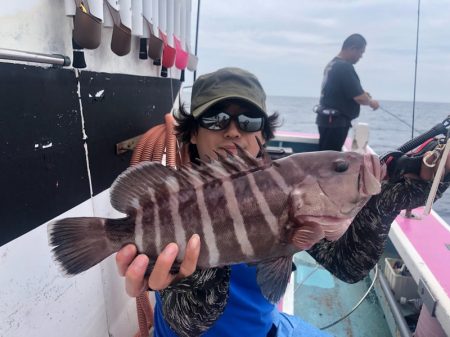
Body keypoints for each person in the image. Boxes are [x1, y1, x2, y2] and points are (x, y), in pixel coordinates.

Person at [116, 67, 450, 337]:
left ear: (262, 134)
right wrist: (185, 280)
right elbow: (191, 324)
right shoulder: (170, 204)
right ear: (192, 133)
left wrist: (389, 199)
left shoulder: (291, 195)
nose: (233, 131)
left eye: (248, 121)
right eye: (216, 119)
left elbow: (349, 266)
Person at [315, 33, 380, 151]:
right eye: (361, 52)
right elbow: (359, 97)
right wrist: (371, 102)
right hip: (335, 123)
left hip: (326, 120)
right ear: (352, 48)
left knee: (324, 155)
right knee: (331, 159)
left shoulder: (332, 64)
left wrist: (363, 94)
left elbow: (340, 90)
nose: (361, 56)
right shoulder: (345, 67)